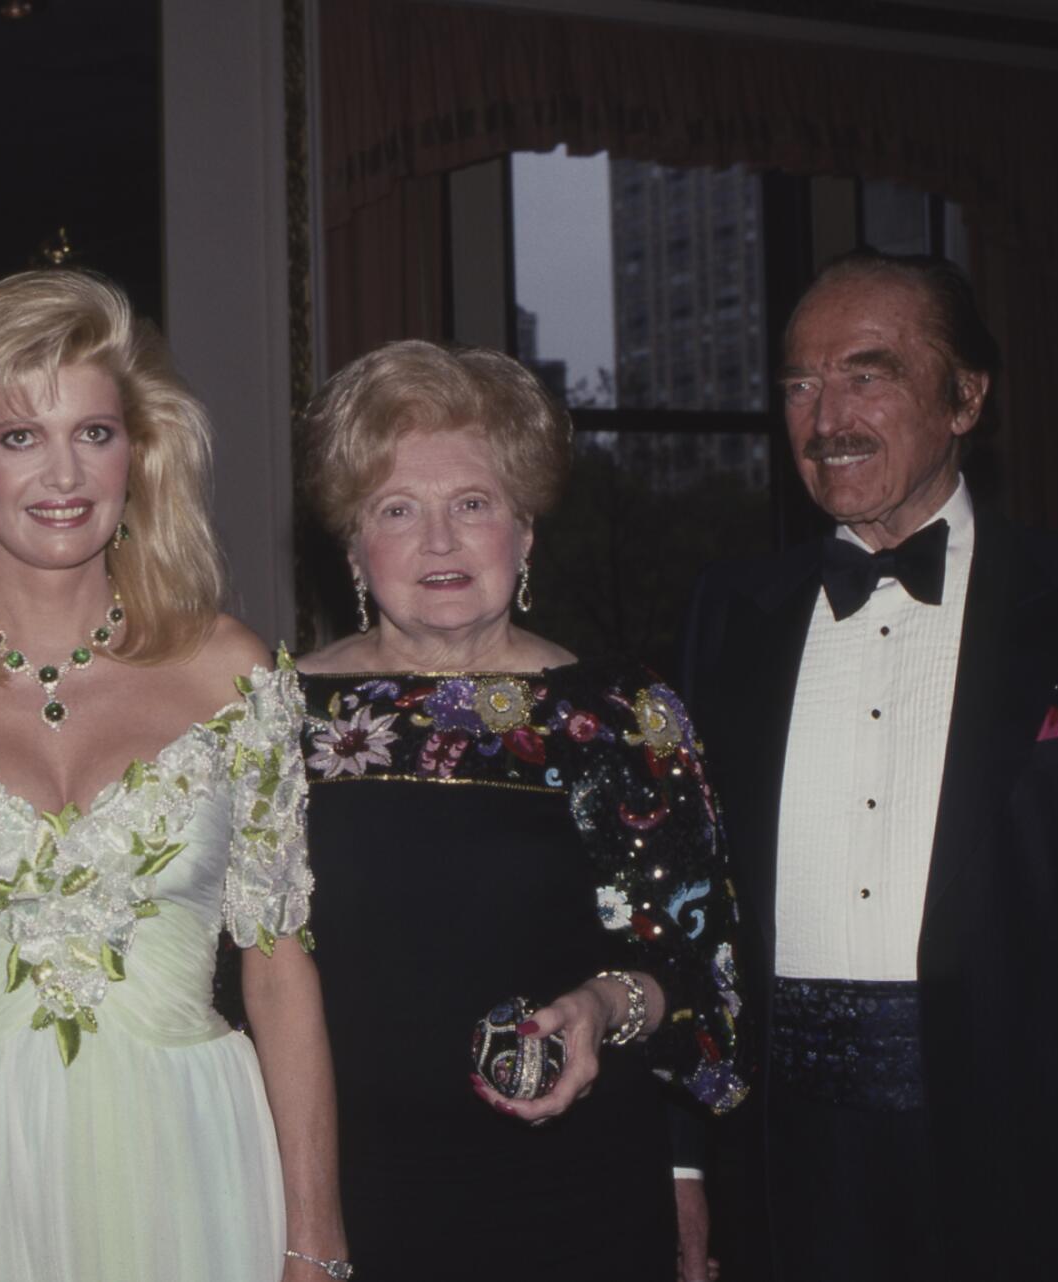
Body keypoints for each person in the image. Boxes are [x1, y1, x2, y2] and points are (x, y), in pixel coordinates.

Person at [0, 269, 346, 1282]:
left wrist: (314, 1236)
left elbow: (279, 967)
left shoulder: (234, 673)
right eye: (19, 436)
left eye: (93, 433)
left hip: (199, 1159)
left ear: (136, 454)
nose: (64, 475)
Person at [679, 249, 1058, 1282]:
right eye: (798, 384)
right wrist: (689, 1174)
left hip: (1035, 1158)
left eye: (866, 373)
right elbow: (691, 911)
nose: (824, 418)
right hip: (783, 1161)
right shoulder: (727, 611)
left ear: (963, 398)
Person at [294, 340, 746, 1280]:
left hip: (567, 1194)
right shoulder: (270, 721)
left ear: (526, 531)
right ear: (352, 545)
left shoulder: (622, 717)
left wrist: (601, 1006)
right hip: (328, 1195)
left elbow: (700, 975)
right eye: (397, 510)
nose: (440, 541)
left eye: (472, 504)